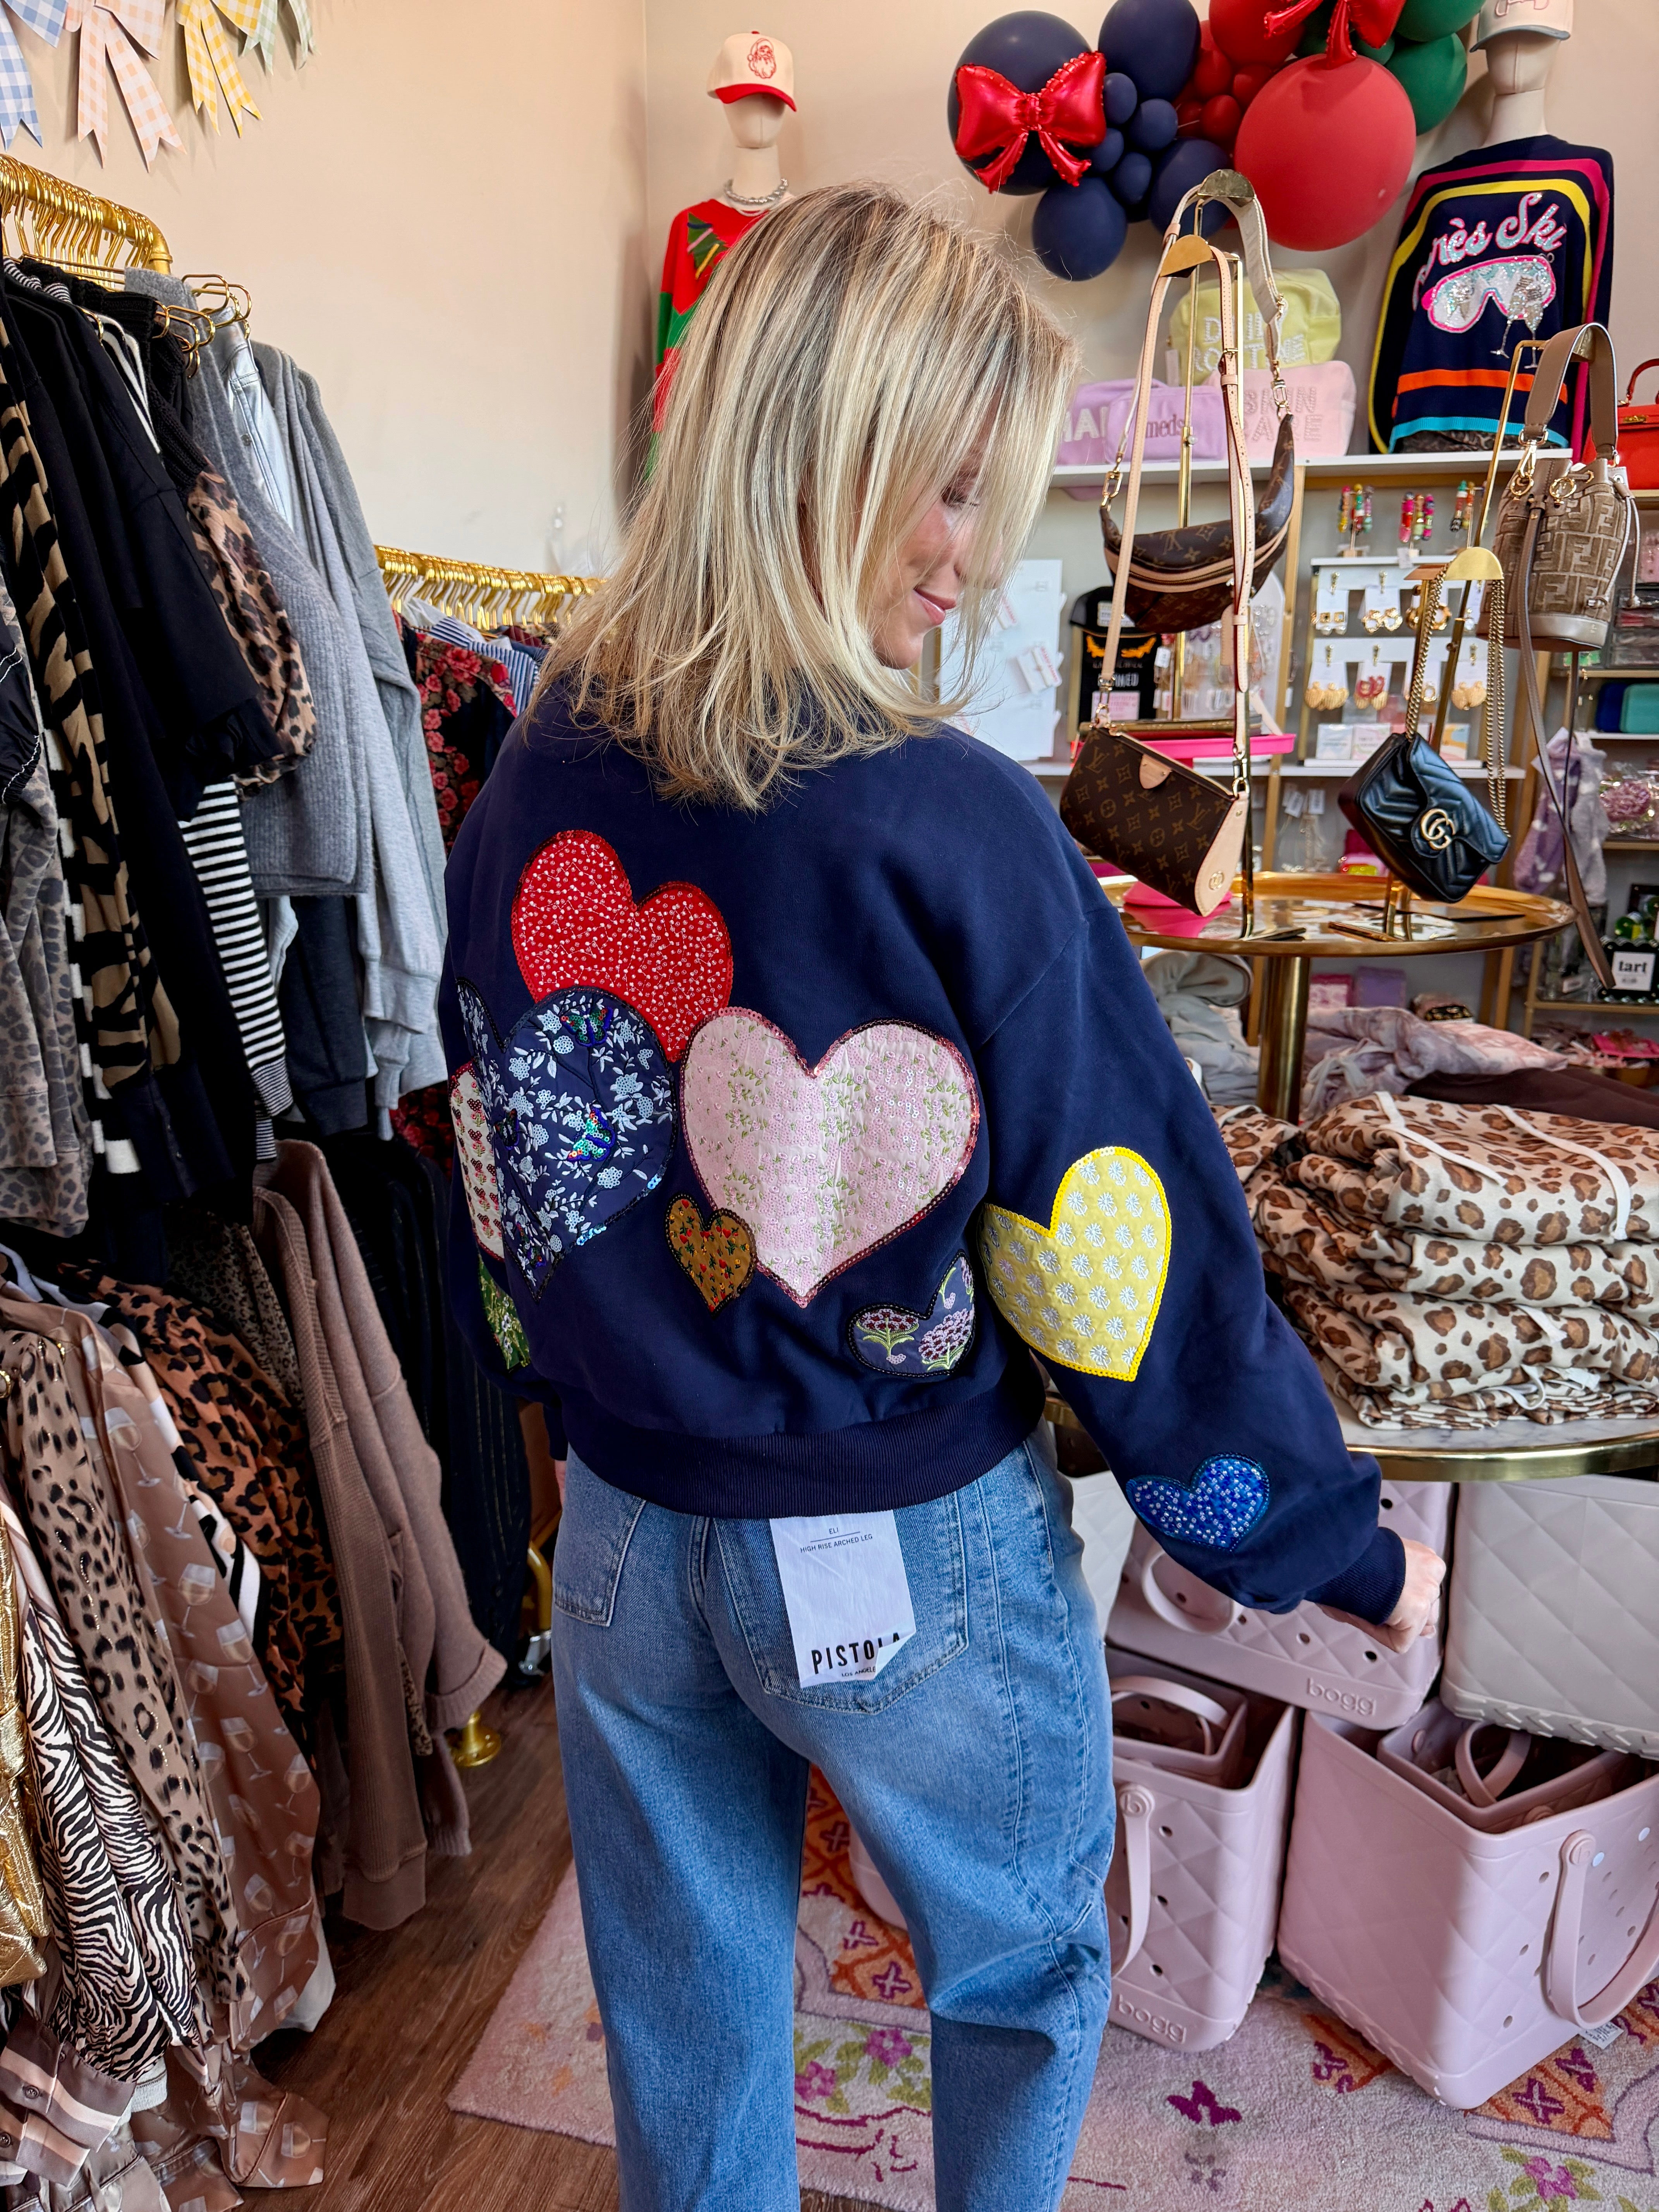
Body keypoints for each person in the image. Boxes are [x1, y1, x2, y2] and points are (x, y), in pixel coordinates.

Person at [440, 182, 1445, 2212]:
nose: (964, 562)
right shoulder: (958, 824)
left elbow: (514, 1156)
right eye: (945, 494)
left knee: (689, 1995)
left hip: (629, 1539)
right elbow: (1123, 1247)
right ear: (826, 456)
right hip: (900, 1540)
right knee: (1021, 1959)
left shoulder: (541, 764)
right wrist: (1326, 1539)